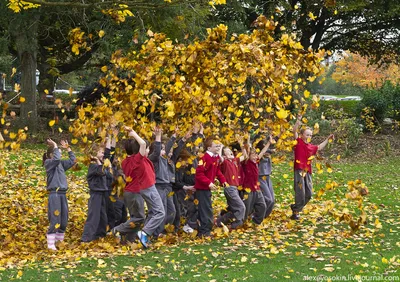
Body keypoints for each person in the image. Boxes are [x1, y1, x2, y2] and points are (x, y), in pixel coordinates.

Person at [112, 126, 165, 248]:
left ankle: (133, 239)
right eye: (146, 149)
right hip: (143, 189)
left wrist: (157, 137)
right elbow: (142, 144)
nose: (147, 150)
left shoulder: (129, 161)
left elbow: (153, 153)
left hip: (141, 189)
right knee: (157, 213)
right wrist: (133, 133)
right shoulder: (137, 160)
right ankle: (143, 233)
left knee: (144, 216)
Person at [291, 115, 334, 220]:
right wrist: (299, 120)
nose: (309, 137)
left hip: (308, 171)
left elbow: (319, 147)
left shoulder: (311, 147)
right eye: (307, 134)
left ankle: (295, 208)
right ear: (301, 135)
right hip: (299, 170)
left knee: (309, 194)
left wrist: (328, 139)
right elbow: (294, 130)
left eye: (310, 135)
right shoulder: (298, 142)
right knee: (300, 192)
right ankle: (296, 212)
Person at [43, 139, 76, 250]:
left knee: (63, 219)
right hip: (55, 194)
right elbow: (56, 159)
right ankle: (50, 245)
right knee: (55, 218)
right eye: (58, 152)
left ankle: (59, 242)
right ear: (52, 154)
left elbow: (72, 160)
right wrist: (55, 145)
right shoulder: (49, 164)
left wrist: (68, 148)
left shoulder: (60, 164)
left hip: (63, 194)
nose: (60, 154)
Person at [194, 137, 228, 238]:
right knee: (205, 210)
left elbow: (217, 171)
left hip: (207, 188)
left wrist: (223, 181)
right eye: (216, 146)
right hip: (202, 188)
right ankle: (204, 232)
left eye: (218, 146)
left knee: (206, 208)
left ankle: (204, 231)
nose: (218, 147)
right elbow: (199, 174)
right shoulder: (204, 158)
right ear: (209, 148)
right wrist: (208, 183)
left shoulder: (215, 157)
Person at [81, 143, 111, 242]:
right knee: (93, 216)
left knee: (102, 216)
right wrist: (97, 160)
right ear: (95, 153)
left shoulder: (99, 164)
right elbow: (102, 172)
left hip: (102, 192)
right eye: (101, 152)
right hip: (96, 193)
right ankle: (86, 238)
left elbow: (106, 172)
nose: (103, 155)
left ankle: (100, 235)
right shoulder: (94, 165)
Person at [215, 138, 247, 229]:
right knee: (241, 207)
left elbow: (244, 156)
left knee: (234, 209)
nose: (231, 152)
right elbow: (219, 157)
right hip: (229, 188)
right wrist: (221, 148)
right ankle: (236, 224)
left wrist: (242, 145)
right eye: (228, 152)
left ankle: (218, 222)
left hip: (235, 188)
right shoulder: (224, 162)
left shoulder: (234, 161)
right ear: (225, 155)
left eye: (230, 151)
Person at [241, 137, 270, 225]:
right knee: (247, 208)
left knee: (262, 206)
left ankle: (256, 221)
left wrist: (269, 142)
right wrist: (247, 141)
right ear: (249, 156)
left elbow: (262, 152)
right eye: (253, 155)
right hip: (248, 189)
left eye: (256, 155)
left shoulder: (256, 161)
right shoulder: (246, 162)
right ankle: (242, 222)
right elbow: (246, 151)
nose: (255, 157)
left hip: (256, 188)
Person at [256, 135, 276, 218]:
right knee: (269, 199)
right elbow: (264, 152)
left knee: (272, 200)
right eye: (264, 145)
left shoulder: (268, 153)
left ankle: (264, 216)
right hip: (260, 177)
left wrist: (279, 134)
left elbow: (274, 144)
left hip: (267, 177)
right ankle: (258, 215)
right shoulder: (258, 156)